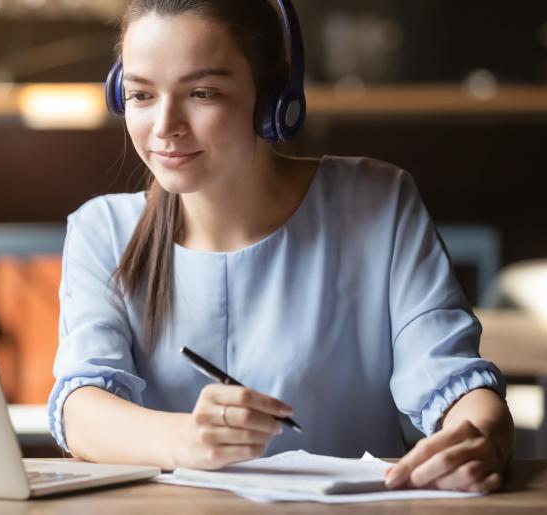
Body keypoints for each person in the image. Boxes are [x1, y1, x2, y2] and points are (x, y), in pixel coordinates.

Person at [47, 0, 514, 494]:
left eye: (202, 92)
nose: (165, 126)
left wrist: (482, 438)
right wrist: (189, 438)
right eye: (141, 95)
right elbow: (82, 408)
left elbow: (453, 380)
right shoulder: (102, 230)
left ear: (273, 96)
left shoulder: (377, 203)